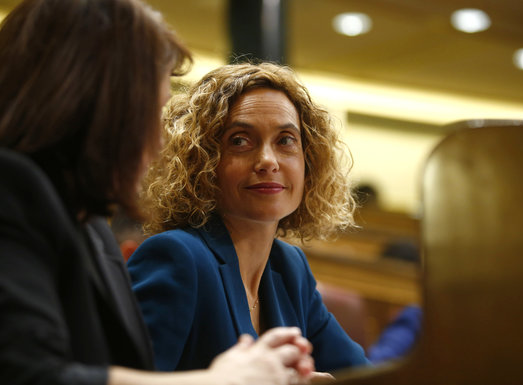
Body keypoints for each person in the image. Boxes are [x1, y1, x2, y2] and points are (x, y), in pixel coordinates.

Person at [0, 1, 314, 385]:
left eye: (286, 141)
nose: (158, 139)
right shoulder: (10, 188)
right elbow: (27, 375)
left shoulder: (93, 225)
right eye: (152, 109)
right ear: (98, 104)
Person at [127, 62, 371, 378]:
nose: (268, 161)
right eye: (240, 140)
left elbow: (364, 375)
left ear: (308, 163)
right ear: (202, 160)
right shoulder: (177, 256)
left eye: (285, 140)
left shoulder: (289, 265)